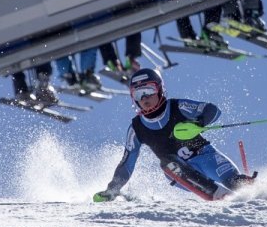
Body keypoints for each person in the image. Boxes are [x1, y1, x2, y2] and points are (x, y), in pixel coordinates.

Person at [93, 68, 256, 202]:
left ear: (160, 89)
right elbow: (127, 163)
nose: (144, 98)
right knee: (168, 162)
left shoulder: (178, 106)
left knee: (236, 182)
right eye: (138, 94)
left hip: (205, 156)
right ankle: (214, 193)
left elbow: (212, 110)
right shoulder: (136, 128)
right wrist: (112, 189)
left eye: (148, 91)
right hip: (176, 171)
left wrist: (198, 123)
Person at [0, 0, 58, 104]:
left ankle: (43, 85)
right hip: (8, 38)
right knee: (14, 62)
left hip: (25, 32)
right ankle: (22, 91)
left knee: (40, 51)